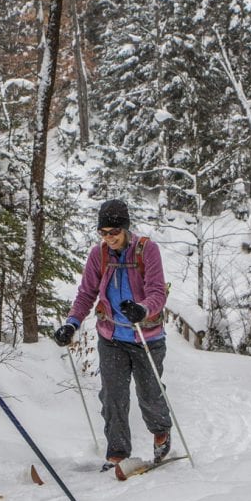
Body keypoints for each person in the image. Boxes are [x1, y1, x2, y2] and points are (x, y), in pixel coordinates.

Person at [53, 199, 172, 469]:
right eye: (103, 233)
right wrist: (72, 323)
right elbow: (86, 293)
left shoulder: (146, 250)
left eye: (114, 233)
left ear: (125, 229)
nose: (109, 238)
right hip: (112, 338)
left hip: (146, 337)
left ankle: (161, 432)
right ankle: (117, 453)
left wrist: (142, 309)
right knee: (113, 396)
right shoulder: (100, 255)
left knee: (150, 394)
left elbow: (157, 291)